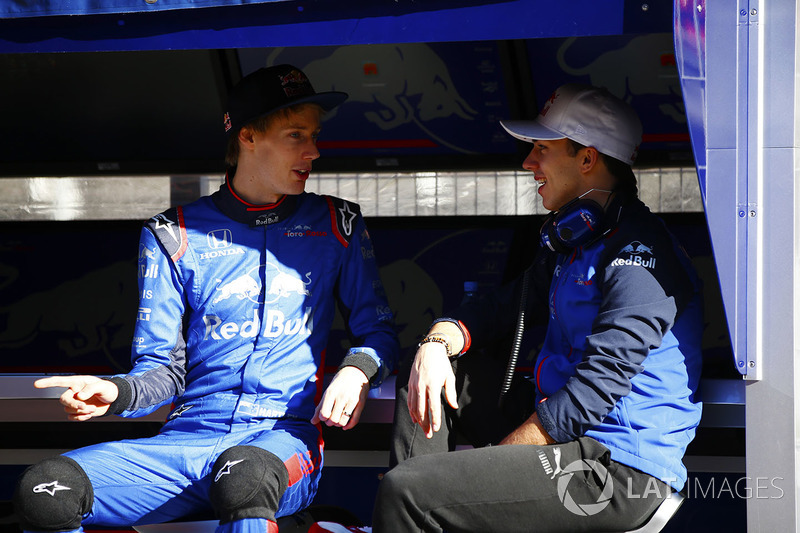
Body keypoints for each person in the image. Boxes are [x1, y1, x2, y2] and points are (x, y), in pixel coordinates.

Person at [13, 64, 399, 533]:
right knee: (45, 490)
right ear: (247, 137)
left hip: (280, 440)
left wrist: (356, 370)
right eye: (296, 135)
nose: (314, 150)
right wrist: (117, 392)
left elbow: (378, 329)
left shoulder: (338, 223)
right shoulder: (171, 233)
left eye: (314, 135)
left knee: (245, 480)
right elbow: (163, 368)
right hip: (182, 444)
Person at [365, 83, 704, 532]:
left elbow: (595, 392)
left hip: (618, 470)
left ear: (587, 160)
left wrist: (488, 471)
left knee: (407, 492)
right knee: (433, 375)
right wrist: (435, 342)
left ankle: (414, 504)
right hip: (568, 433)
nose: (528, 162)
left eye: (542, 149)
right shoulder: (578, 241)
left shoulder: (641, 253)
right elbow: (500, 307)